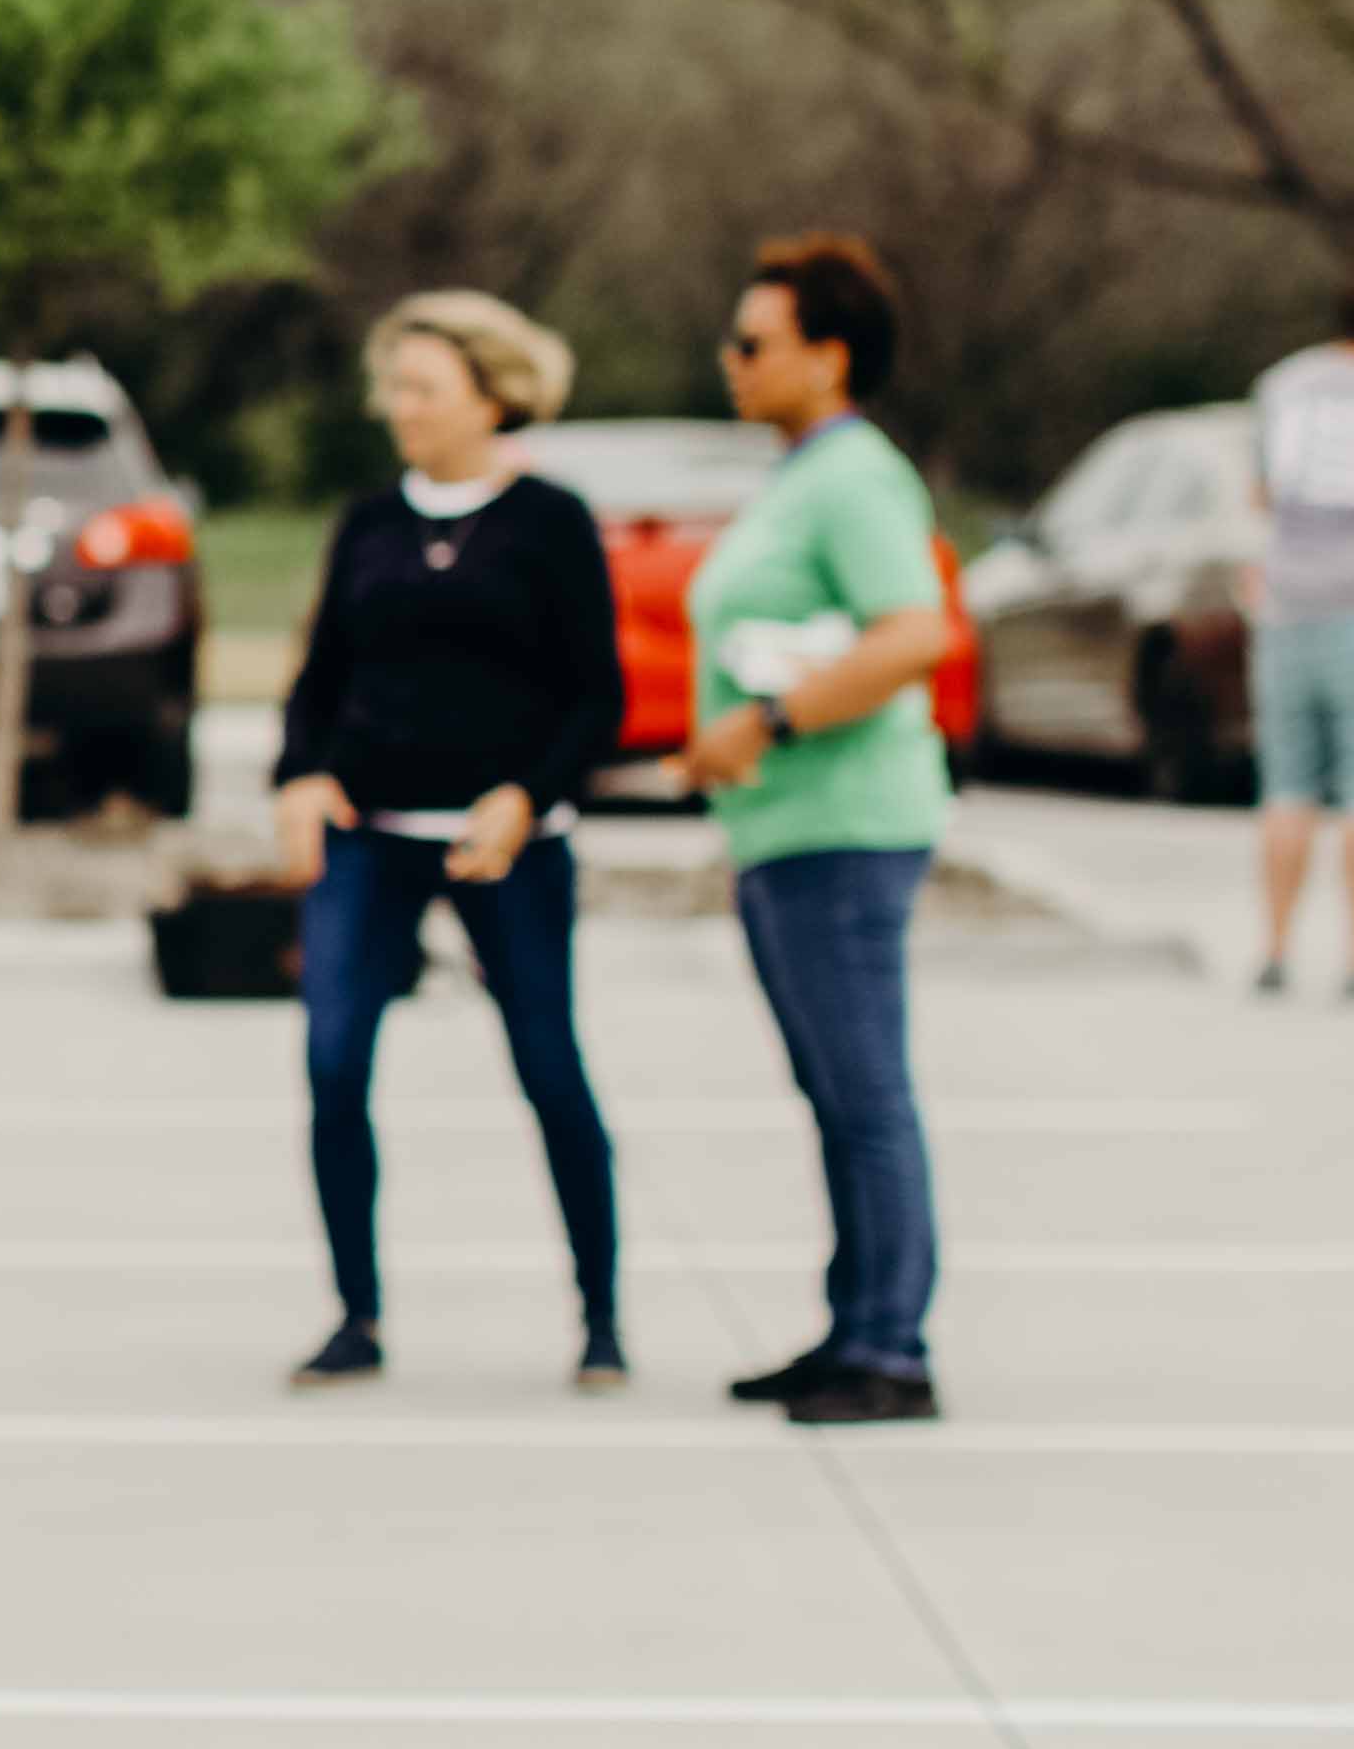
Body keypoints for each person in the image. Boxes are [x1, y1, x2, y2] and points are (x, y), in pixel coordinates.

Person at [267, 290, 625, 1392]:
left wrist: (528, 794)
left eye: (422, 387)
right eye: (395, 388)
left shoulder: (551, 520)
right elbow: (321, 676)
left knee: (550, 1066)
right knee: (332, 1062)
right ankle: (356, 1315)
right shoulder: (370, 521)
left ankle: (601, 1316)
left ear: (490, 395)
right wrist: (300, 774)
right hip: (372, 836)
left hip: (505, 843)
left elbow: (597, 694)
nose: (399, 408)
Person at [685, 232, 957, 1424]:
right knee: (832, 1091)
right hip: (785, 829)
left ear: (829, 356)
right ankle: (850, 1325)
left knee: (864, 1089)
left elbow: (917, 632)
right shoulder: (802, 472)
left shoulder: (855, 477)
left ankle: (892, 1346)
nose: (731, 359)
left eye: (755, 341)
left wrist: (770, 721)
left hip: (844, 826)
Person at [1246, 260, 1354, 998]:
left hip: (1286, 605)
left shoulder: (1282, 384)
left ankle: (1274, 950)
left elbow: (1259, 493)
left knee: (1287, 786)